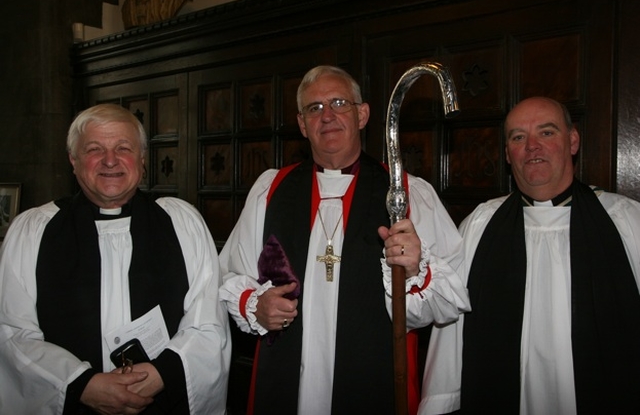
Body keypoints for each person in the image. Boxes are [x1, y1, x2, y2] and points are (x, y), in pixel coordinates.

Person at [219, 65, 470, 415]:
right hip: (282, 385)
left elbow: (449, 302)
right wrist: (254, 304)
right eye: (314, 108)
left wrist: (416, 270)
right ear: (302, 124)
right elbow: (230, 275)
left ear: (363, 114)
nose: (327, 116)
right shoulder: (271, 190)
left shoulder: (408, 194)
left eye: (339, 103)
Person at [0, 104, 231, 414]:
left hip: (162, 400)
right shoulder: (33, 231)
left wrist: (162, 373)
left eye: (123, 148)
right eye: (95, 149)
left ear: (142, 159)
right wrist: (81, 384)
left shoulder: (181, 223)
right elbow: (12, 333)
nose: (110, 160)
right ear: (73, 160)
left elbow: (208, 323)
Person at [419, 96, 640, 414]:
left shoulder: (625, 221)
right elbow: (451, 330)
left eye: (547, 133)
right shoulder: (480, 225)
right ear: (508, 153)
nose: (531, 146)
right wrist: (440, 403)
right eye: (518, 137)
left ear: (573, 140)